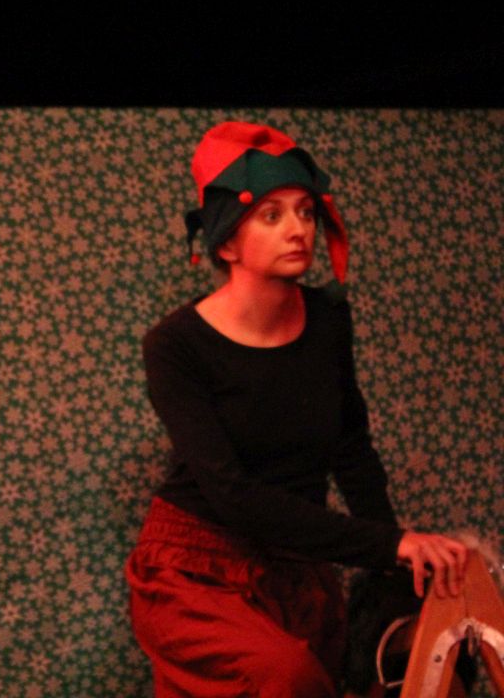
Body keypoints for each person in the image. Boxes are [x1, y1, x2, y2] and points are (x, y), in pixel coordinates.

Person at [125, 121, 468, 697]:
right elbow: (231, 494)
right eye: (271, 215)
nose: (298, 230)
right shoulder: (175, 344)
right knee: (282, 675)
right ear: (226, 244)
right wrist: (388, 544)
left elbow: (351, 450)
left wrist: (395, 563)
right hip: (196, 568)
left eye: (306, 212)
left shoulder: (328, 320)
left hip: (295, 569)